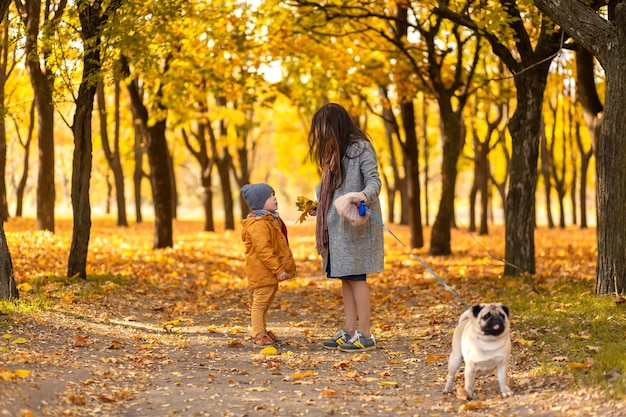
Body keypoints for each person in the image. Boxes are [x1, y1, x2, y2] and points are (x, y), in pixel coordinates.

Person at [307, 102, 384, 352]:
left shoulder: (361, 148)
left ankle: (366, 334)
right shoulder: (333, 153)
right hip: (336, 229)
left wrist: (361, 195)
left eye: (324, 127)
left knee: (357, 278)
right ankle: (350, 331)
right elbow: (330, 192)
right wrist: (319, 207)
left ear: (335, 125)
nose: (321, 133)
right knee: (345, 278)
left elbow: (375, 182)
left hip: (354, 226)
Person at [241, 183, 298, 347]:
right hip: (262, 271)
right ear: (259, 202)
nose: (274, 198)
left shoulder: (269, 220)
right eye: (269, 196)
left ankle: (263, 331)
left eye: (274, 194)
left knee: (265, 302)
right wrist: (279, 269)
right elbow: (264, 250)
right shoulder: (258, 224)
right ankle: (258, 334)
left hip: (268, 272)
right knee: (259, 303)